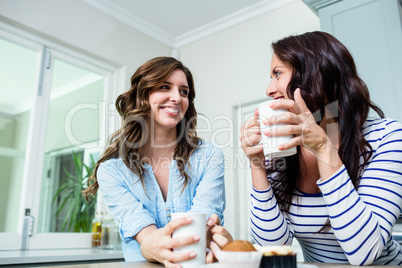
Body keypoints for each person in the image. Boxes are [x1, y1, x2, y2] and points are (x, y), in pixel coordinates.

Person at [240, 31, 402, 265]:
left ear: (314, 73)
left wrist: (324, 151)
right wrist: (257, 164)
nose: (269, 89)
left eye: (277, 74)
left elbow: (364, 254)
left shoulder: (387, 138)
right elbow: (272, 247)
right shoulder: (285, 149)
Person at [84, 57, 232, 266]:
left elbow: (200, 231)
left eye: (184, 92)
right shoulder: (112, 171)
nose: (177, 98)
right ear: (142, 95)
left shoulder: (209, 157)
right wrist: (150, 243)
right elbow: (148, 238)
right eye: (165, 87)